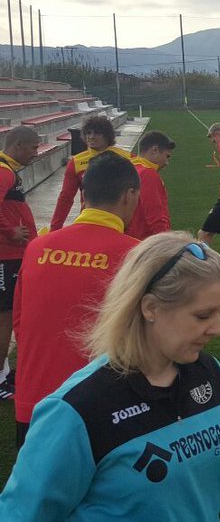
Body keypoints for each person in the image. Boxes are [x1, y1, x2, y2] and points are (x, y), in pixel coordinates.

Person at [0, 233, 220, 520]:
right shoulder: (77, 409)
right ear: (150, 307)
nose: (217, 329)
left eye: (218, 314)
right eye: (203, 316)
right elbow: (21, 514)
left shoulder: (209, 373)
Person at [11, 153, 141, 445]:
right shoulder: (136, 255)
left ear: (85, 193)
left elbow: (20, 323)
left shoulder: (37, 247)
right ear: (130, 194)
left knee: (35, 489)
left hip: (35, 402)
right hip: (103, 406)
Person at [0, 126, 40, 400]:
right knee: (4, 318)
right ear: (18, 146)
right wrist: (8, 231)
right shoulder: (3, 172)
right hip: (6, 257)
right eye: (33, 148)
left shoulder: (7, 170)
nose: (36, 153)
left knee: (9, 315)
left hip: (13, 256)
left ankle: (4, 373)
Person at [50, 115, 130, 230]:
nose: (91, 137)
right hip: (89, 221)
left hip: (119, 223)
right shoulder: (76, 162)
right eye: (88, 133)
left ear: (107, 136)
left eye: (97, 133)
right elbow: (65, 198)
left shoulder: (126, 158)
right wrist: (54, 228)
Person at [127, 130, 175, 240]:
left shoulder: (129, 168)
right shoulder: (148, 174)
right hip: (145, 242)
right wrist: (166, 242)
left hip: (128, 239)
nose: (167, 163)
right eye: (167, 156)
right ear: (154, 150)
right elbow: (155, 216)